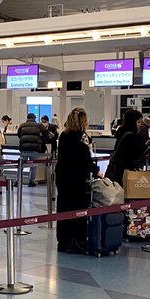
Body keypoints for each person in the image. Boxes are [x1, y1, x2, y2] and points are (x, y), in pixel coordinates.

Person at [55, 107, 99, 254]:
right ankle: (75, 240)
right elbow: (85, 158)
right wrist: (96, 171)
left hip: (62, 176)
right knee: (78, 208)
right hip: (77, 177)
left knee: (63, 206)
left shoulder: (63, 135)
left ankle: (62, 241)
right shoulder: (83, 137)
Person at [105, 110, 145, 185]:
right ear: (132, 123)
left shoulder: (121, 134)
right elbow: (131, 157)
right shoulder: (130, 137)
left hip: (118, 172)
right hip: (126, 174)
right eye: (138, 122)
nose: (141, 125)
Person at [17, 113, 47, 187]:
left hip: (24, 148)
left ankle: (18, 181)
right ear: (34, 118)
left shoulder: (22, 125)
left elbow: (19, 135)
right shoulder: (39, 125)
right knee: (33, 166)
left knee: (21, 165)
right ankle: (31, 182)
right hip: (34, 148)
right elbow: (46, 133)